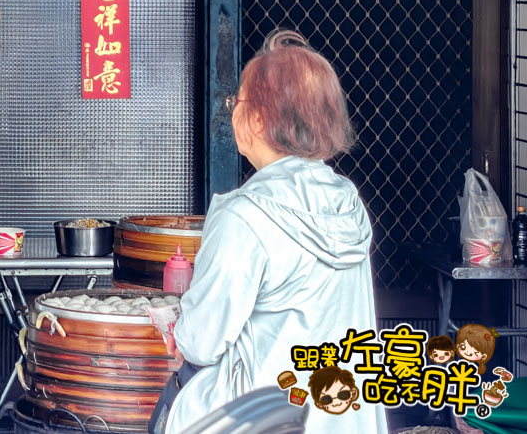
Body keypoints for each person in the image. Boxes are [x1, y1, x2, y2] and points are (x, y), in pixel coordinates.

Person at [158, 30, 386, 434]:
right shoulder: (347, 202)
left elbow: (201, 342)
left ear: (260, 118)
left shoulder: (244, 216)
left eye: (236, 102)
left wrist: (181, 328)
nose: (231, 112)